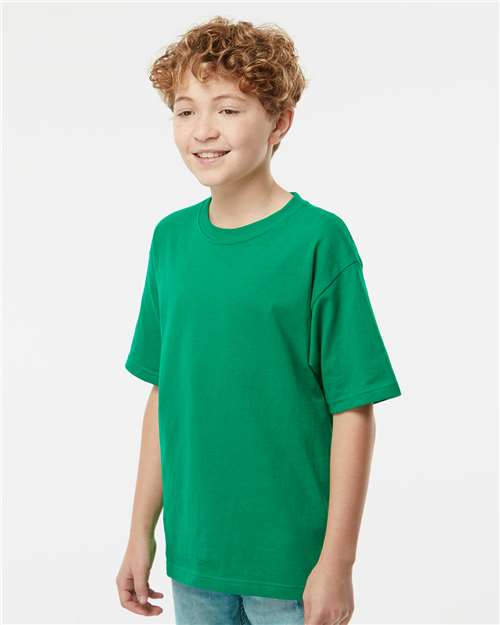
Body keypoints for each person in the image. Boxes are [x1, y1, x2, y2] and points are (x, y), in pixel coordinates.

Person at [116, 15, 402, 625]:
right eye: (185, 111)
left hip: (292, 568)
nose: (203, 130)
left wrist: (337, 562)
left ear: (279, 122)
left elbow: (353, 409)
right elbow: (163, 394)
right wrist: (140, 532)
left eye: (227, 109)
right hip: (196, 559)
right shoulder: (171, 241)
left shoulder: (319, 241)